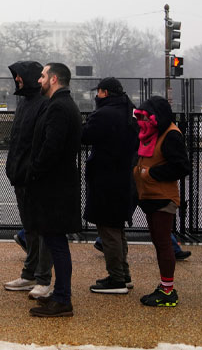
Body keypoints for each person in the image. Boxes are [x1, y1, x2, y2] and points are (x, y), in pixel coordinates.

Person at [25, 63, 83, 317]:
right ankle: (60, 294)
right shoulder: (62, 104)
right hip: (58, 185)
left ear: (54, 79)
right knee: (56, 243)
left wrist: (35, 169)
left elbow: (52, 147)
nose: (39, 80)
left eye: (43, 75)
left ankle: (63, 298)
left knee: (57, 245)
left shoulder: (58, 107)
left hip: (54, 187)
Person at [132, 96, 191, 307]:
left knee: (164, 242)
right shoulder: (152, 133)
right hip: (150, 195)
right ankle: (165, 285)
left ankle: (168, 291)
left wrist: (150, 174)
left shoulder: (171, 134)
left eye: (147, 117)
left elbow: (182, 166)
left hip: (162, 196)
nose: (143, 121)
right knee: (159, 242)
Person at [81, 77, 137, 295]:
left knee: (108, 230)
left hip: (105, 177)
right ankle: (124, 273)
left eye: (99, 92)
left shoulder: (104, 114)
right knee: (117, 228)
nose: (97, 96)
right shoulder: (129, 111)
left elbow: (85, 135)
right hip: (123, 175)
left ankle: (117, 279)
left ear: (104, 92)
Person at [2, 61, 52, 299]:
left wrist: (31, 170)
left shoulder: (42, 104)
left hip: (32, 177)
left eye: (20, 77)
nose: (17, 80)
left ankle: (42, 278)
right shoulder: (25, 103)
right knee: (31, 229)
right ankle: (30, 273)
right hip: (21, 176)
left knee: (41, 230)